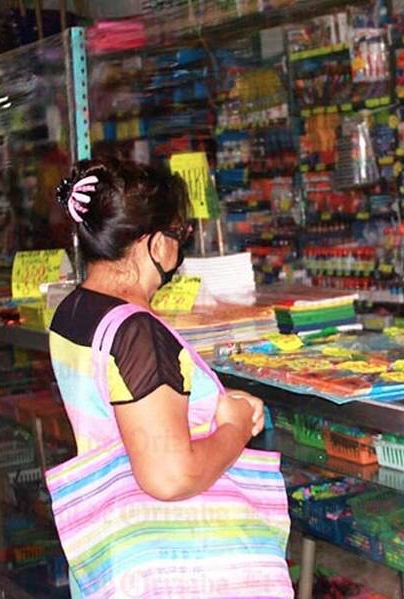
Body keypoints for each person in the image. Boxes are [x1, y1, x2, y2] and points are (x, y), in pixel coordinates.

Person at [48, 158, 292, 596]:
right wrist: (234, 428)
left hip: (118, 553)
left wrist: (203, 402)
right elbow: (170, 476)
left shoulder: (76, 309)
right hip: (174, 570)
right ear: (156, 243)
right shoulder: (137, 332)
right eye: (181, 234)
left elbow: (116, 403)